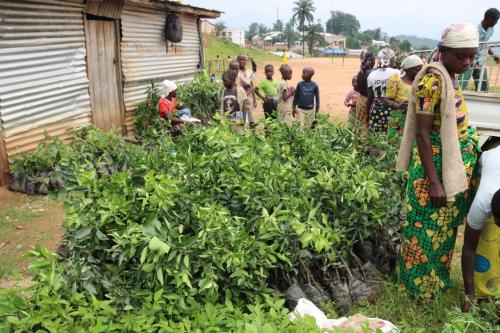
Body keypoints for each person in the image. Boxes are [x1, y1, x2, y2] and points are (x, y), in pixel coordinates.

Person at [396, 23, 481, 299]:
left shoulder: (450, 75)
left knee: (443, 231)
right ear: (443, 51)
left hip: (450, 168)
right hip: (433, 173)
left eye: (472, 56)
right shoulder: (431, 81)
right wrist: (434, 183)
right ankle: (417, 292)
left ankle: (437, 283)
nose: (467, 62)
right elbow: (422, 134)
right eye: (461, 56)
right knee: (424, 233)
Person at [461, 144, 500, 312]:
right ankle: (483, 290)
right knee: (487, 239)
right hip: (490, 158)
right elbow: (468, 248)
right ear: (493, 213)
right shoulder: (482, 203)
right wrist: (469, 294)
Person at [384, 55, 424, 142]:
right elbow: (386, 100)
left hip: (413, 120)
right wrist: (398, 105)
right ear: (407, 70)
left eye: (421, 69)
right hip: (397, 120)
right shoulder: (396, 80)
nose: (420, 72)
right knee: (395, 144)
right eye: (417, 69)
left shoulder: (421, 83)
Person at [459, 8, 500, 92]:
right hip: (469, 61)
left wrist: (493, 55)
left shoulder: (491, 30)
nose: (496, 23)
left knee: (483, 87)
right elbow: (467, 49)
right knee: (460, 85)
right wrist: (473, 64)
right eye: (496, 20)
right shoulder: (474, 31)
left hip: (480, 61)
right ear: (488, 18)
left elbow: (485, 44)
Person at [366, 49, 400, 132]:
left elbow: (370, 97)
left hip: (376, 109)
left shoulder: (372, 74)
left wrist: (367, 113)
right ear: (391, 60)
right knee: (392, 136)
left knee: (376, 137)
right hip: (393, 108)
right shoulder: (398, 73)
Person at [355, 52, 375, 128]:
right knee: (365, 124)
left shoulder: (360, 72)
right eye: (373, 60)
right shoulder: (371, 73)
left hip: (360, 100)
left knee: (359, 123)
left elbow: (357, 88)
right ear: (371, 61)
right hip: (367, 102)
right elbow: (370, 94)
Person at [236, 54, 256, 125]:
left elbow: (252, 85)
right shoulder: (235, 72)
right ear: (237, 61)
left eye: (243, 60)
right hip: (238, 98)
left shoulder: (249, 71)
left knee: (251, 118)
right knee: (239, 117)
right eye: (240, 60)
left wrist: (254, 99)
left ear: (246, 61)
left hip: (248, 98)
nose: (241, 61)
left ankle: (252, 133)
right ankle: (240, 133)